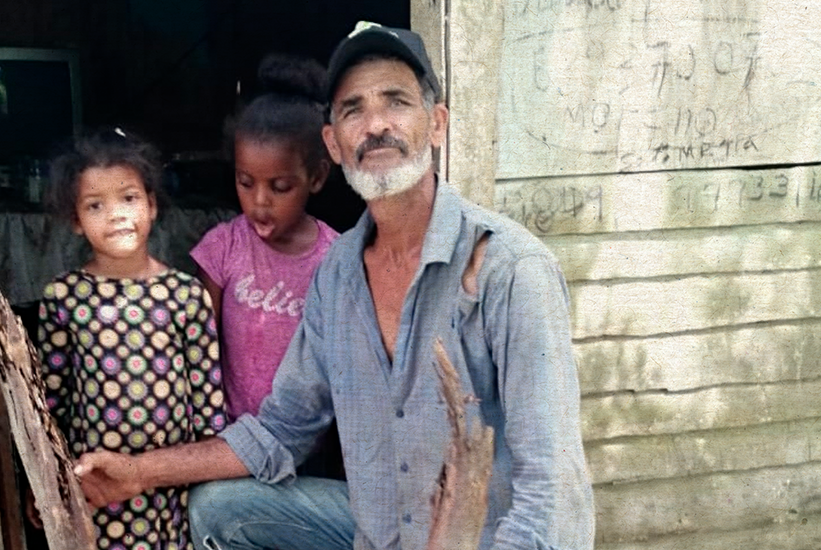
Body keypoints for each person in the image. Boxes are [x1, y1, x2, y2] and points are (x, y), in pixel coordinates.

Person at [74, 23, 595, 550]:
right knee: (219, 510)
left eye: (396, 101)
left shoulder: (511, 269)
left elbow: (551, 494)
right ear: (334, 144)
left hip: (481, 541)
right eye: (352, 109)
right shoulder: (339, 273)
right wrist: (138, 472)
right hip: (378, 535)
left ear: (437, 124)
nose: (376, 125)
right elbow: (280, 430)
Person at [36, 126, 228, 550]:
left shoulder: (185, 294)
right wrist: (48, 482)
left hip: (171, 489)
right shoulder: (65, 296)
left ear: (152, 205)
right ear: (76, 220)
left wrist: (205, 480)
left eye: (128, 198)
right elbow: (51, 402)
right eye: (95, 205)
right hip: (99, 487)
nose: (116, 214)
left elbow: (208, 402)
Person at [190, 53, 338, 425]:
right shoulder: (222, 248)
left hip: (307, 438)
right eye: (245, 182)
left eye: (280, 187)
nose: (259, 202)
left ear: (317, 178)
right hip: (230, 435)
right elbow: (198, 349)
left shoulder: (335, 258)